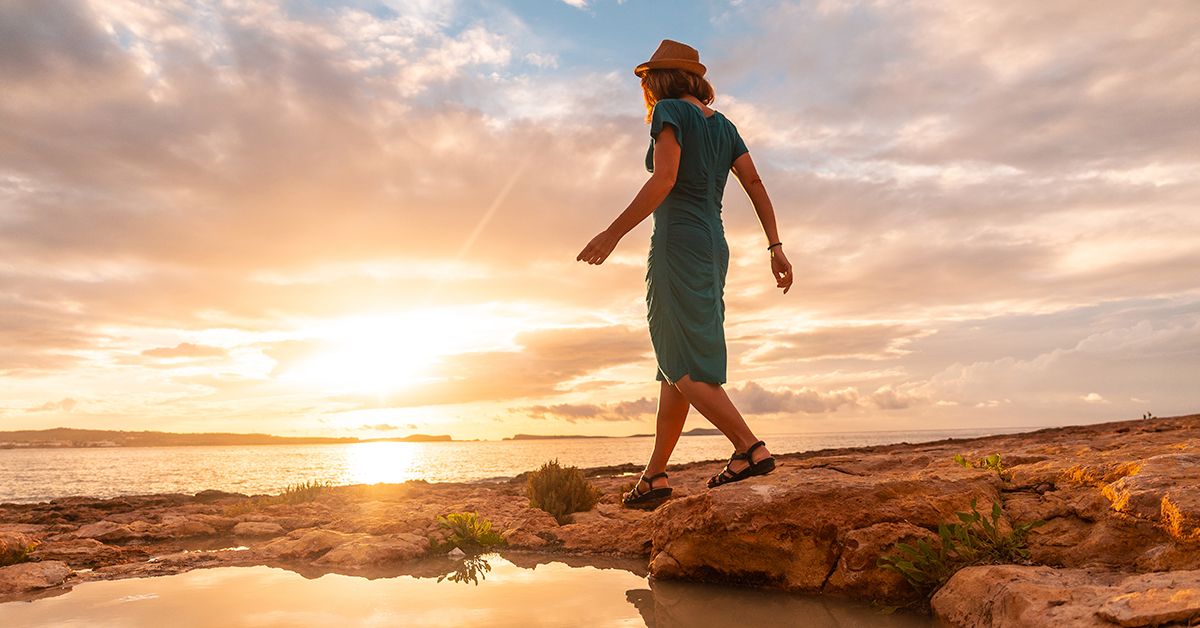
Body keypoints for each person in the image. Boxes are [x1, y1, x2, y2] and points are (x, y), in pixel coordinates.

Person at [576, 39, 793, 509]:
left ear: (661, 79)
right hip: (714, 245)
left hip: (678, 243)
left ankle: (749, 448)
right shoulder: (725, 125)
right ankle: (654, 475)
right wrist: (775, 245)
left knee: (681, 360)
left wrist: (612, 234)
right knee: (673, 365)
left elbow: (665, 178)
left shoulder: (669, 111)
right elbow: (755, 183)